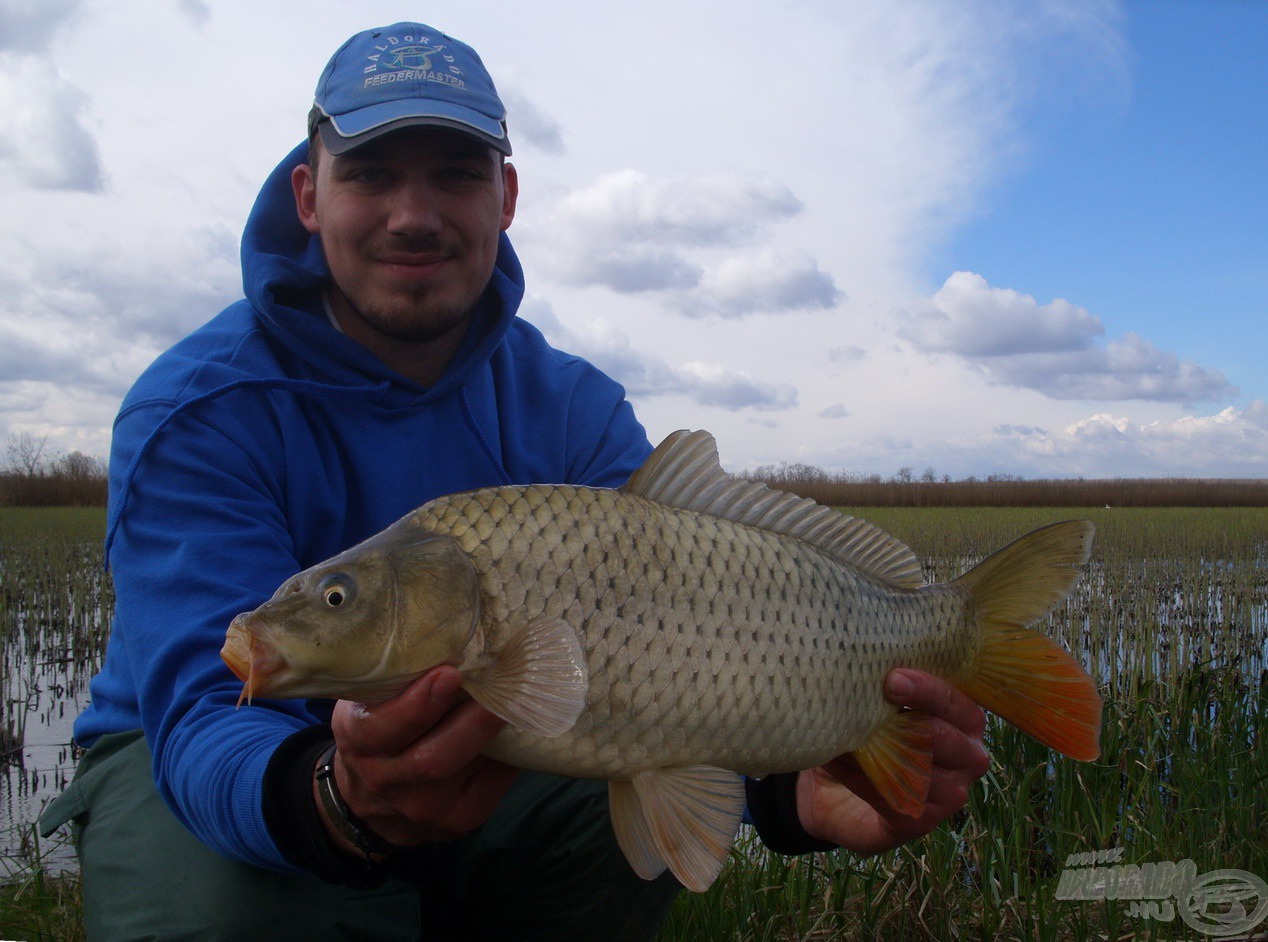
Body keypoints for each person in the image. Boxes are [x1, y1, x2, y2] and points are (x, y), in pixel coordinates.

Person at [39, 22, 990, 941]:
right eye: (370, 173)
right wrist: (334, 802)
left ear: (506, 195)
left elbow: (675, 669)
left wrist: (792, 792)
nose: (414, 215)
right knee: (229, 911)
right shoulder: (197, 409)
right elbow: (202, 709)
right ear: (307, 195)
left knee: (610, 840)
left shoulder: (572, 410)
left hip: (503, 745)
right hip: (215, 767)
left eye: (456, 174)